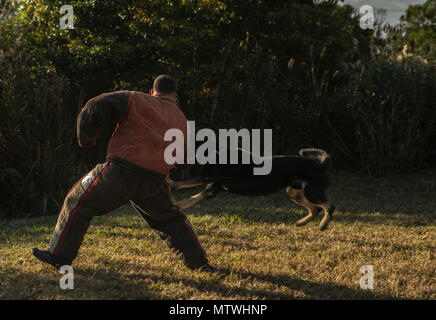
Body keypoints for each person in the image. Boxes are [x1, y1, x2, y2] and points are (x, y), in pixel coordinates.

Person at [32, 75, 216, 272]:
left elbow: (96, 104)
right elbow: (181, 156)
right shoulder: (182, 120)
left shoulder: (137, 99)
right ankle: (199, 263)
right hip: (155, 181)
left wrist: (87, 138)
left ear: (153, 92)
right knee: (170, 221)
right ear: (175, 96)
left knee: (77, 202)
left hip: (121, 171)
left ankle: (59, 256)